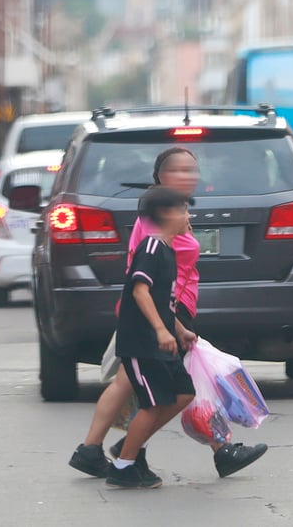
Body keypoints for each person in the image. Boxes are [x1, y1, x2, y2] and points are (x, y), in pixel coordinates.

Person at [70, 147, 268, 481]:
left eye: (192, 170)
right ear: (160, 177)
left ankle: (106, 450)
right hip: (154, 317)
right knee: (166, 385)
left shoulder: (175, 215)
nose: (187, 176)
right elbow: (141, 281)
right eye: (178, 170)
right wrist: (165, 327)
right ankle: (209, 449)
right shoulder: (156, 221)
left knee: (151, 386)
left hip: (170, 314)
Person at [104, 186, 198, 489]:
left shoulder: (168, 251)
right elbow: (140, 290)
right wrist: (160, 330)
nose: (189, 216)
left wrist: (179, 330)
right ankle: (124, 465)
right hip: (142, 342)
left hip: (161, 340)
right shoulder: (151, 248)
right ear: (166, 214)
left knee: (184, 393)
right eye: (184, 210)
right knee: (153, 404)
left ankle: (131, 445)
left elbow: (163, 301)